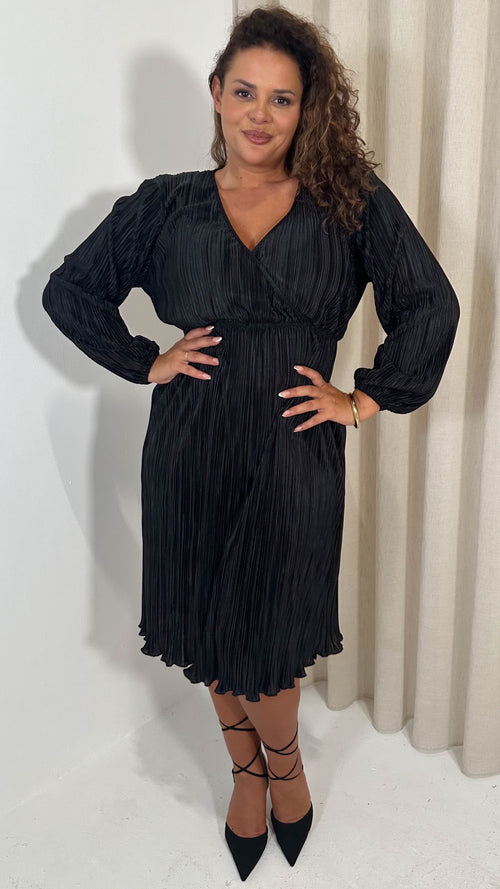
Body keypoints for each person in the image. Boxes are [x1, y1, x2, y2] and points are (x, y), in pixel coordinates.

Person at [42, 5, 460, 882]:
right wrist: (146, 360)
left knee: (268, 633)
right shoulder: (167, 205)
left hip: (293, 452)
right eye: (245, 92)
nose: (260, 114)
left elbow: (431, 302)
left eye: (282, 98)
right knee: (206, 616)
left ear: (306, 109)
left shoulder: (347, 203)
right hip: (189, 446)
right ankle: (245, 770)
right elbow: (71, 291)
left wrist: (362, 400)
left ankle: (286, 767)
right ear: (216, 94)